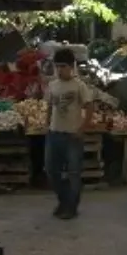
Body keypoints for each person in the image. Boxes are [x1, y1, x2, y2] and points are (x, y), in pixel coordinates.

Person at [45, 48, 93, 220]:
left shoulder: (79, 86)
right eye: (57, 66)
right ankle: (63, 200)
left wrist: (82, 129)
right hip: (54, 134)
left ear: (71, 66)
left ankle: (71, 207)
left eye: (63, 66)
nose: (59, 70)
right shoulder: (52, 85)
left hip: (72, 135)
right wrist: (47, 126)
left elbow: (89, 107)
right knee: (51, 170)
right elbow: (50, 107)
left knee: (73, 173)